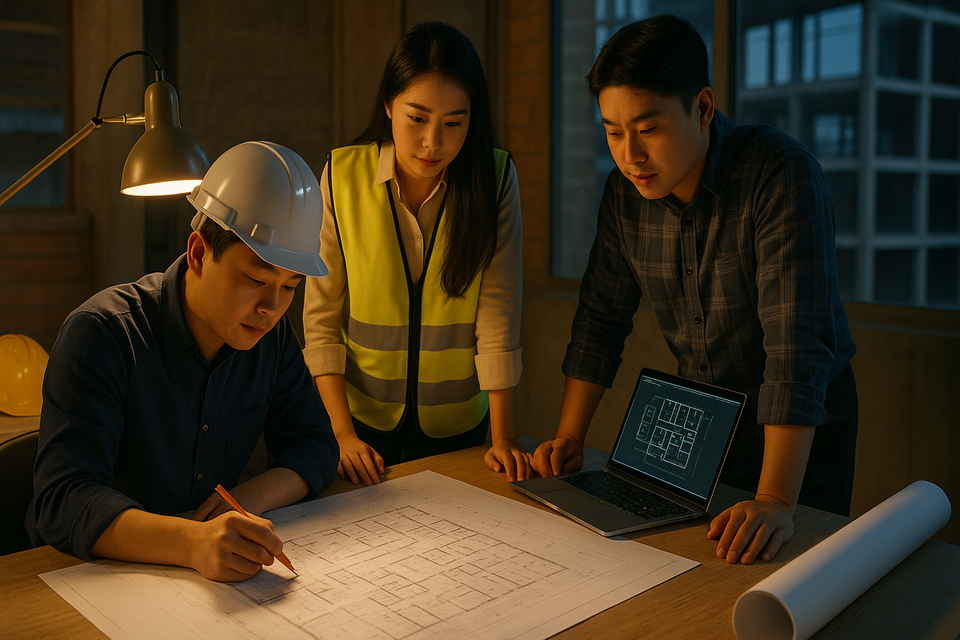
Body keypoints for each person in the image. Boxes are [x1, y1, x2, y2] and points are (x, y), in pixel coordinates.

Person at [533, 15, 858, 566]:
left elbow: (796, 350)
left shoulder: (779, 174)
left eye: (649, 128)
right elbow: (600, 318)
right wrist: (569, 437)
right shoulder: (623, 192)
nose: (630, 154)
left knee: (787, 574)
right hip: (705, 419)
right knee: (691, 568)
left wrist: (777, 499)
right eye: (613, 132)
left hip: (799, 431)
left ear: (703, 108)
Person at [26, 141, 339, 582]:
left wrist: (250, 497)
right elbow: (62, 501)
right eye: (256, 279)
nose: (272, 307)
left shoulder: (269, 337)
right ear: (197, 253)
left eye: (291, 286)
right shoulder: (103, 335)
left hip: (201, 583)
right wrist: (192, 542)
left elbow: (317, 446)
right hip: (90, 581)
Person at [302, 22, 529, 486]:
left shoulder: (495, 179)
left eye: (453, 123)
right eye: (417, 118)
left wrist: (503, 437)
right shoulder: (341, 177)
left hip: (461, 429)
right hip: (358, 428)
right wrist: (341, 435)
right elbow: (321, 319)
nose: (433, 142)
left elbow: (498, 313)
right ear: (388, 104)